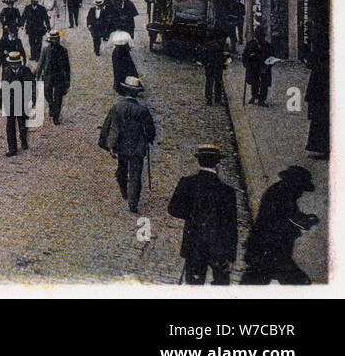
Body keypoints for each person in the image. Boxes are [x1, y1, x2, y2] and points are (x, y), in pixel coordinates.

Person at [167, 145, 238, 285]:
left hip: (194, 245)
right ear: (218, 164)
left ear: (199, 162)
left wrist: (192, 214)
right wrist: (231, 257)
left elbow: (173, 209)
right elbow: (231, 227)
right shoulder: (227, 191)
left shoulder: (187, 183)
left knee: (194, 286)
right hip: (219, 249)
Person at [240, 166, 319, 285]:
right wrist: (307, 221)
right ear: (295, 185)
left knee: (254, 281)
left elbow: (290, 214)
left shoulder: (278, 190)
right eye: (301, 188)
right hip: (269, 250)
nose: (301, 193)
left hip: (265, 249)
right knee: (298, 282)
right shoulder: (283, 194)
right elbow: (292, 217)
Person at [98, 76, 155, 214]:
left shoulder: (117, 107)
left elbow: (109, 125)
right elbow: (150, 129)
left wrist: (107, 144)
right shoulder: (142, 109)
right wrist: (149, 139)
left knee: (122, 170)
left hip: (121, 145)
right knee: (136, 174)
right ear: (137, 93)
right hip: (137, 147)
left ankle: (124, 191)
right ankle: (133, 203)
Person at [0, 50, 35, 157]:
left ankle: (23, 139)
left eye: (16, 63)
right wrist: (1, 101)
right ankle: (12, 148)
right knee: (10, 125)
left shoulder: (26, 71)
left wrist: (33, 99)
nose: (14, 65)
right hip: (10, 103)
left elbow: (32, 86)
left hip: (23, 102)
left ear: (20, 62)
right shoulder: (6, 71)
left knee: (23, 123)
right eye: (12, 63)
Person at [35, 29, 71, 124]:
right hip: (48, 76)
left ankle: (56, 117)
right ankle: (51, 105)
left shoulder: (63, 51)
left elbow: (67, 67)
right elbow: (41, 63)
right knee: (47, 94)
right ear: (50, 40)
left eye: (57, 39)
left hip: (59, 77)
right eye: (53, 39)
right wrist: (37, 75)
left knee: (58, 97)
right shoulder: (46, 50)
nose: (55, 41)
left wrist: (67, 81)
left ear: (59, 39)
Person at [242, 22, 275, 106]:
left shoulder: (267, 46)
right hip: (254, 67)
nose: (260, 39)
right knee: (254, 82)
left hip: (264, 67)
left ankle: (262, 100)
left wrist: (269, 64)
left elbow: (272, 57)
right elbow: (245, 56)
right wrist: (247, 65)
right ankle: (254, 96)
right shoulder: (251, 45)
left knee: (264, 83)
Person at [305, 47, 329, 158]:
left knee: (320, 122)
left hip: (320, 97)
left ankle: (323, 148)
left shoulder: (319, 68)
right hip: (321, 96)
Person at [201, 41, 229, 106]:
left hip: (212, 64)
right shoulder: (220, 45)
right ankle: (216, 99)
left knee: (211, 82)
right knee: (216, 82)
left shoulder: (208, 45)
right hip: (216, 64)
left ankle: (210, 99)